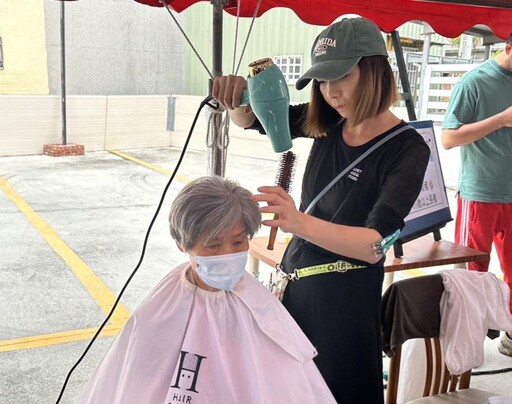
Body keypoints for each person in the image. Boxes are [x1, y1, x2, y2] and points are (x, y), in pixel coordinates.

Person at [213, 17, 430, 404]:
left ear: (375, 71)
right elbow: (256, 121)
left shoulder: (408, 149)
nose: (331, 92)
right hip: (297, 287)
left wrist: (296, 221)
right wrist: (239, 99)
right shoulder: (327, 122)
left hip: (345, 303)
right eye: (323, 81)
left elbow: (374, 245)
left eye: (341, 77)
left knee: (338, 391)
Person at [78, 176, 336, 403]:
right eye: (213, 246)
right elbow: (137, 378)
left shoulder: (258, 304)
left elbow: (287, 382)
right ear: (183, 245)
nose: (228, 254)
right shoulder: (164, 305)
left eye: (238, 242)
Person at [441, 33, 512, 357]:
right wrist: (502, 119)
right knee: (471, 276)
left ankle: (509, 336)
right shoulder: (474, 82)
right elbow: (448, 138)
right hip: (481, 193)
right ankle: (465, 349)